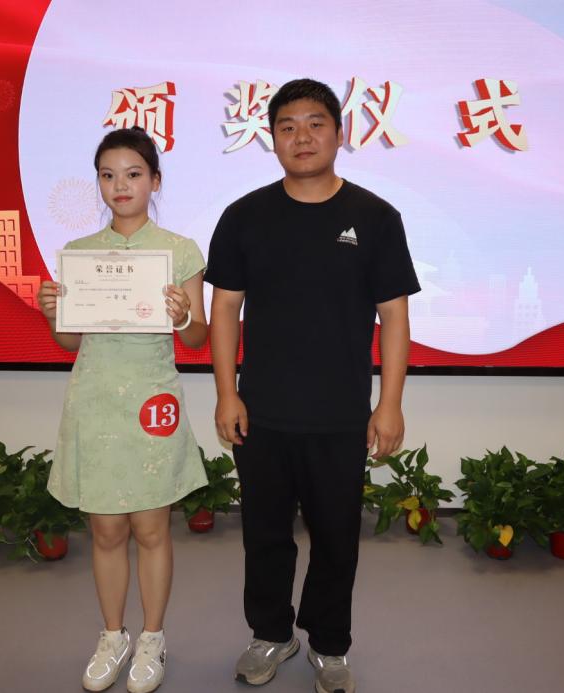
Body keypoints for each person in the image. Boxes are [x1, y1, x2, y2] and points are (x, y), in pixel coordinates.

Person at [205, 78, 420, 693]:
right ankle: (271, 633)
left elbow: (394, 317)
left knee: (336, 539)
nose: (302, 137)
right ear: (271, 138)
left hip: (340, 414)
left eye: (315, 123)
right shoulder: (244, 216)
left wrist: (390, 404)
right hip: (262, 412)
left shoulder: (375, 218)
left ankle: (329, 643)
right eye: (287, 126)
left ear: (339, 133)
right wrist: (227, 393)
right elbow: (225, 310)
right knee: (265, 537)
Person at [37, 126, 208, 693]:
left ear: (155, 181)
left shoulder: (179, 250)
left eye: (133, 174)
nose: (120, 185)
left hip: (151, 401)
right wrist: (53, 313)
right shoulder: (80, 254)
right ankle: (113, 636)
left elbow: (198, 338)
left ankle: (153, 638)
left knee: (152, 529)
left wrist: (183, 314)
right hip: (95, 402)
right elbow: (70, 342)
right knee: (107, 530)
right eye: (108, 175)